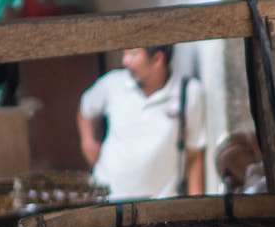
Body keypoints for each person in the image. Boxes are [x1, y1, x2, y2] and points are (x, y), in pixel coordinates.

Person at [77, 47, 206, 199]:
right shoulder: (112, 83)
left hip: (159, 206)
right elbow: (86, 108)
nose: (125, 61)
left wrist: (196, 206)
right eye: (124, 53)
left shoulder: (189, 93)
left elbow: (195, 155)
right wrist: (87, 141)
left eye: (133, 53)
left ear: (157, 59)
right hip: (106, 199)